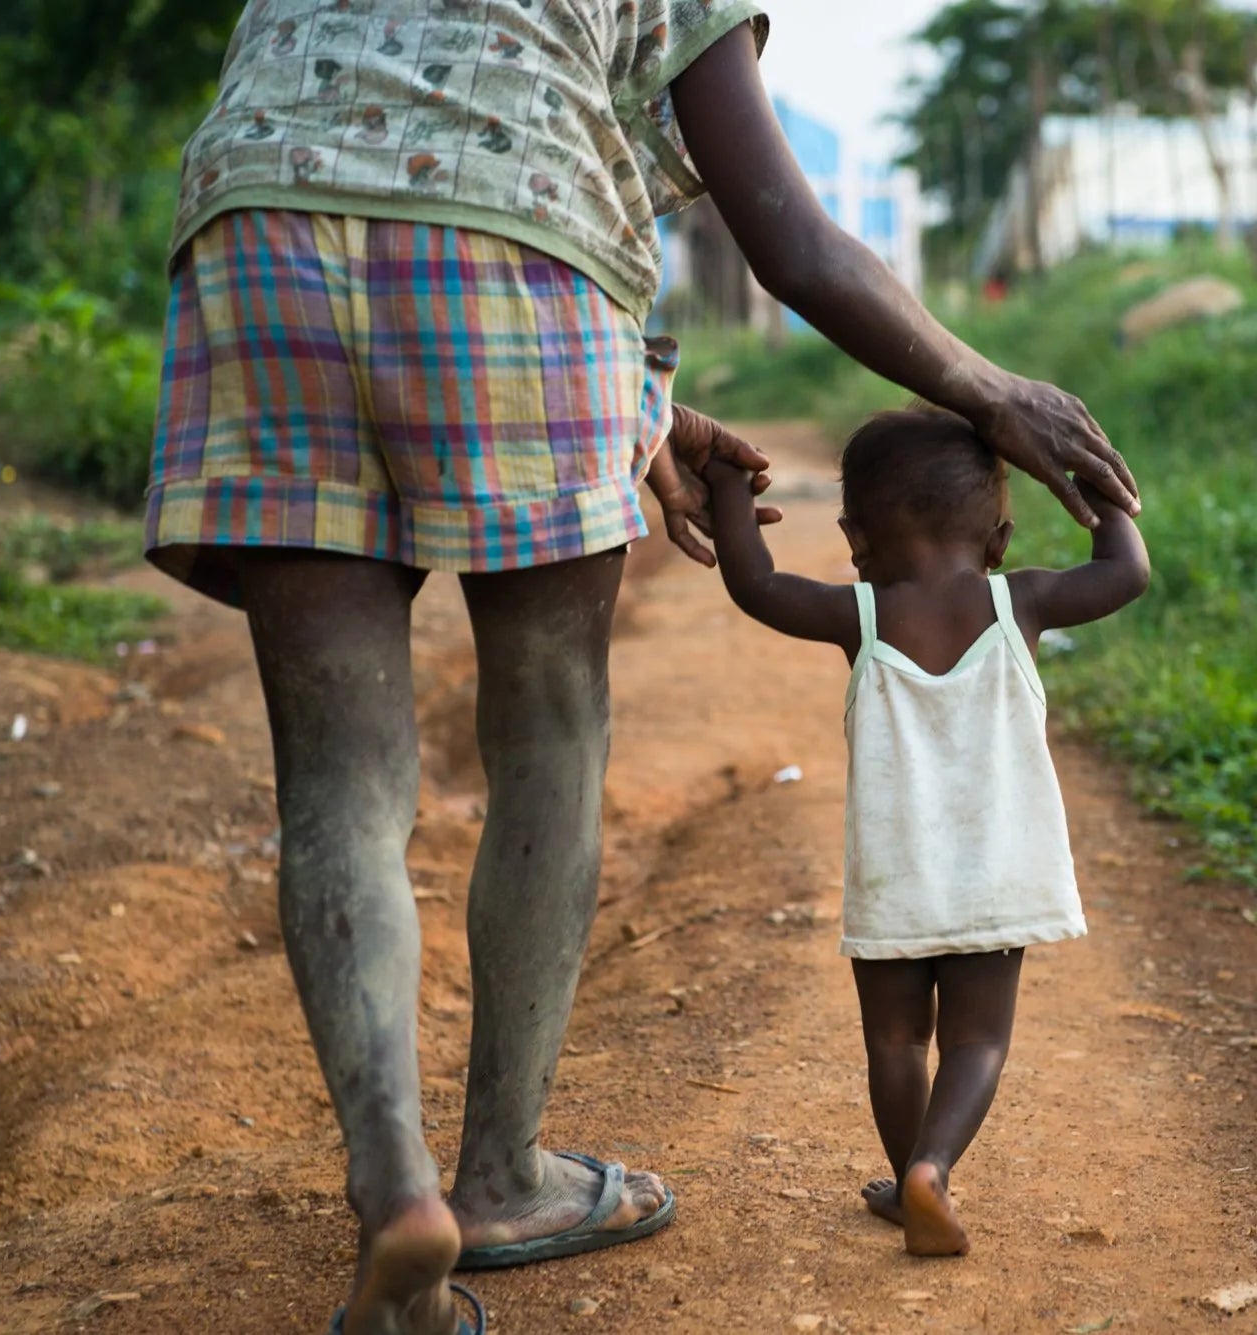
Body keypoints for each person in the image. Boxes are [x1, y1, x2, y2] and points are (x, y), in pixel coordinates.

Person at [146, 4, 1138, 1332]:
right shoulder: (1012, 592)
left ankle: (395, 1188)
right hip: (519, 241)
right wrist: (986, 386)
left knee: (339, 775)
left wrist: (648, 409)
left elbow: (767, 584)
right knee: (548, 724)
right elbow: (787, 234)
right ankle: (499, 1172)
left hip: (254, 227)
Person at [699, 408, 1149, 1257]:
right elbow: (1126, 573)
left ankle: (909, 1175)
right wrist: (1094, 486)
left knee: (896, 1040)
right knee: (977, 1040)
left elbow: (754, 583)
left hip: (895, 876)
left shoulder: (859, 614)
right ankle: (933, 1169)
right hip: (999, 870)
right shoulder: (1026, 600)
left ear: (855, 536)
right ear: (1002, 537)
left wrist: (727, 486)